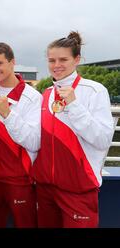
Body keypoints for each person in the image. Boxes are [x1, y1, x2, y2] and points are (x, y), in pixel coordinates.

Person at [32, 31, 114, 228]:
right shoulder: (47, 93)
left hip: (78, 190)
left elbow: (103, 139)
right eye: (51, 60)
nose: (56, 65)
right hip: (45, 189)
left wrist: (74, 105)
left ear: (77, 59)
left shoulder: (94, 90)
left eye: (63, 59)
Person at [0, 43, 41, 228]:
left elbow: (34, 142)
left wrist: (7, 114)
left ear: (12, 62)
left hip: (21, 179)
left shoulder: (33, 97)